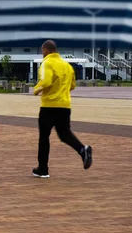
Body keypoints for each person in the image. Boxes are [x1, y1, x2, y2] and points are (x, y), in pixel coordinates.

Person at [32, 40, 92, 178]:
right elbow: (72, 86)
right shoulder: (67, 66)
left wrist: (36, 90)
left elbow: (46, 82)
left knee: (44, 137)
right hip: (64, 106)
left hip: (49, 106)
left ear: (46, 50)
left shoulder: (47, 63)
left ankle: (43, 169)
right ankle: (83, 150)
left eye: (42, 51)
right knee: (64, 134)